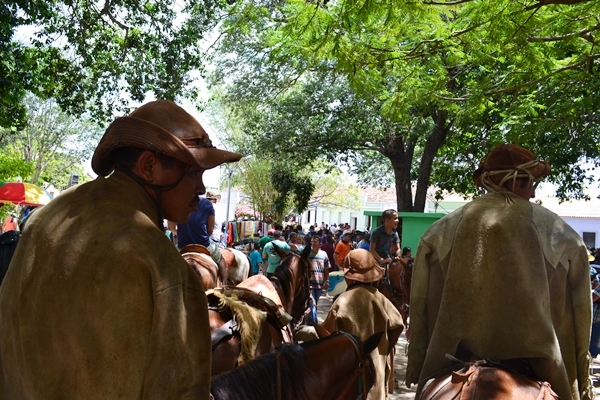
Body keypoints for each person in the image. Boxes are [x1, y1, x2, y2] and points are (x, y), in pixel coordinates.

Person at [0, 100, 241, 399]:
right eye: (193, 173)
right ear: (149, 167)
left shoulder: (47, 215)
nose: (201, 188)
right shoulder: (163, 265)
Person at [405, 144, 592, 400]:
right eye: (530, 183)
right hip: (542, 365)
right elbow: (582, 311)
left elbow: (419, 303)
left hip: (451, 361)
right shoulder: (560, 232)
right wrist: (580, 377)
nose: (534, 191)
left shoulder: (440, 231)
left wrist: (417, 359)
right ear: (515, 180)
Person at [323, 249, 404, 399]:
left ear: (348, 276)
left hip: (350, 383)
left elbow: (326, 341)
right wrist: (384, 348)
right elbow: (398, 325)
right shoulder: (382, 300)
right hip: (376, 379)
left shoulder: (342, 303)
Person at [177, 191, 227, 285]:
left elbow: (171, 227)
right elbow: (210, 230)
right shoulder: (208, 205)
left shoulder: (177, 202)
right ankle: (224, 285)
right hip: (203, 244)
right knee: (221, 260)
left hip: (182, 246)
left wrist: (180, 233)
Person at [307, 235, 329, 323]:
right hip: (309, 283)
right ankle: (314, 323)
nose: (313, 244)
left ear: (320, 244)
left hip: (319, 283)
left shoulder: (324, 254)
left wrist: (326, 280)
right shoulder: (307, 254)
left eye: (315, 242)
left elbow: (326, 269)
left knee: (315, 303)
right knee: (312, 303)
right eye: (311, 242)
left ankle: (310, 321)